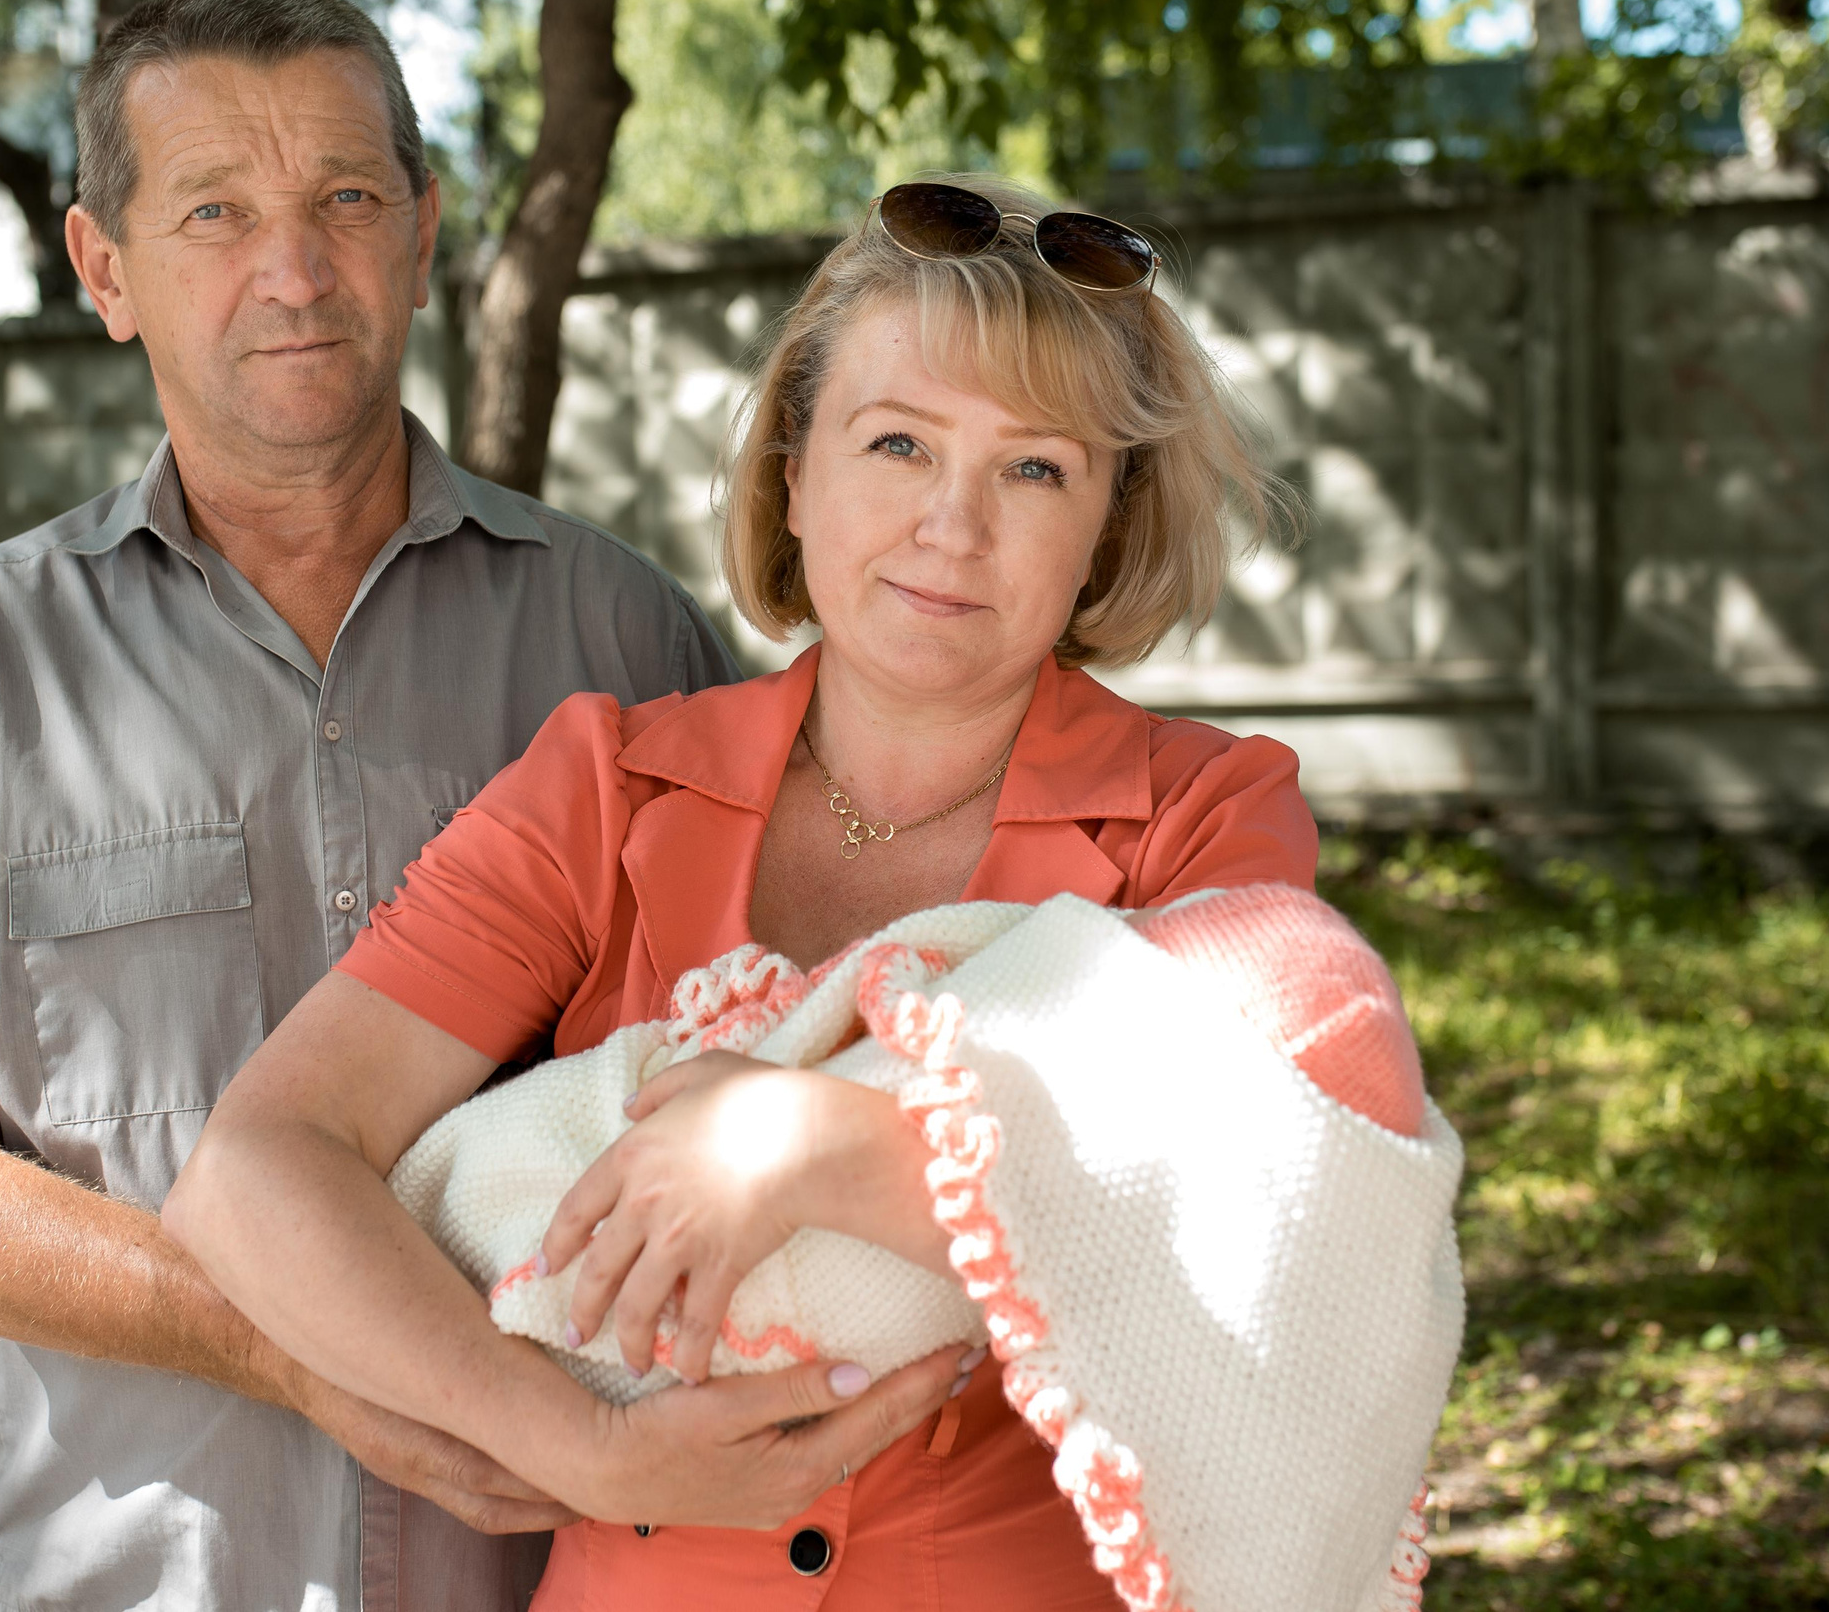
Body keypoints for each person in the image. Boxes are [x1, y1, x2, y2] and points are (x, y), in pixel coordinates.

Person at [163, 177, 1320, 1608]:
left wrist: (811, 1146)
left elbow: (1261, 1210)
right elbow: (255, 1168)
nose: (952, 524)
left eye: (1036, 468)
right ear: (793, 468)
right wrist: (575, 1443)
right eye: (898, 442)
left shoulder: (1207, 816)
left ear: (1106, 523)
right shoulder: (606, 784)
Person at [0, 0, 751, 1612]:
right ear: (104, 269)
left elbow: (772, 1065)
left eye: (345, 201)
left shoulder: (630, 642)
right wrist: (291, 1341)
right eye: (215, 211)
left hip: (568, 1580)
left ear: (425, 236)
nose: (294, 272)